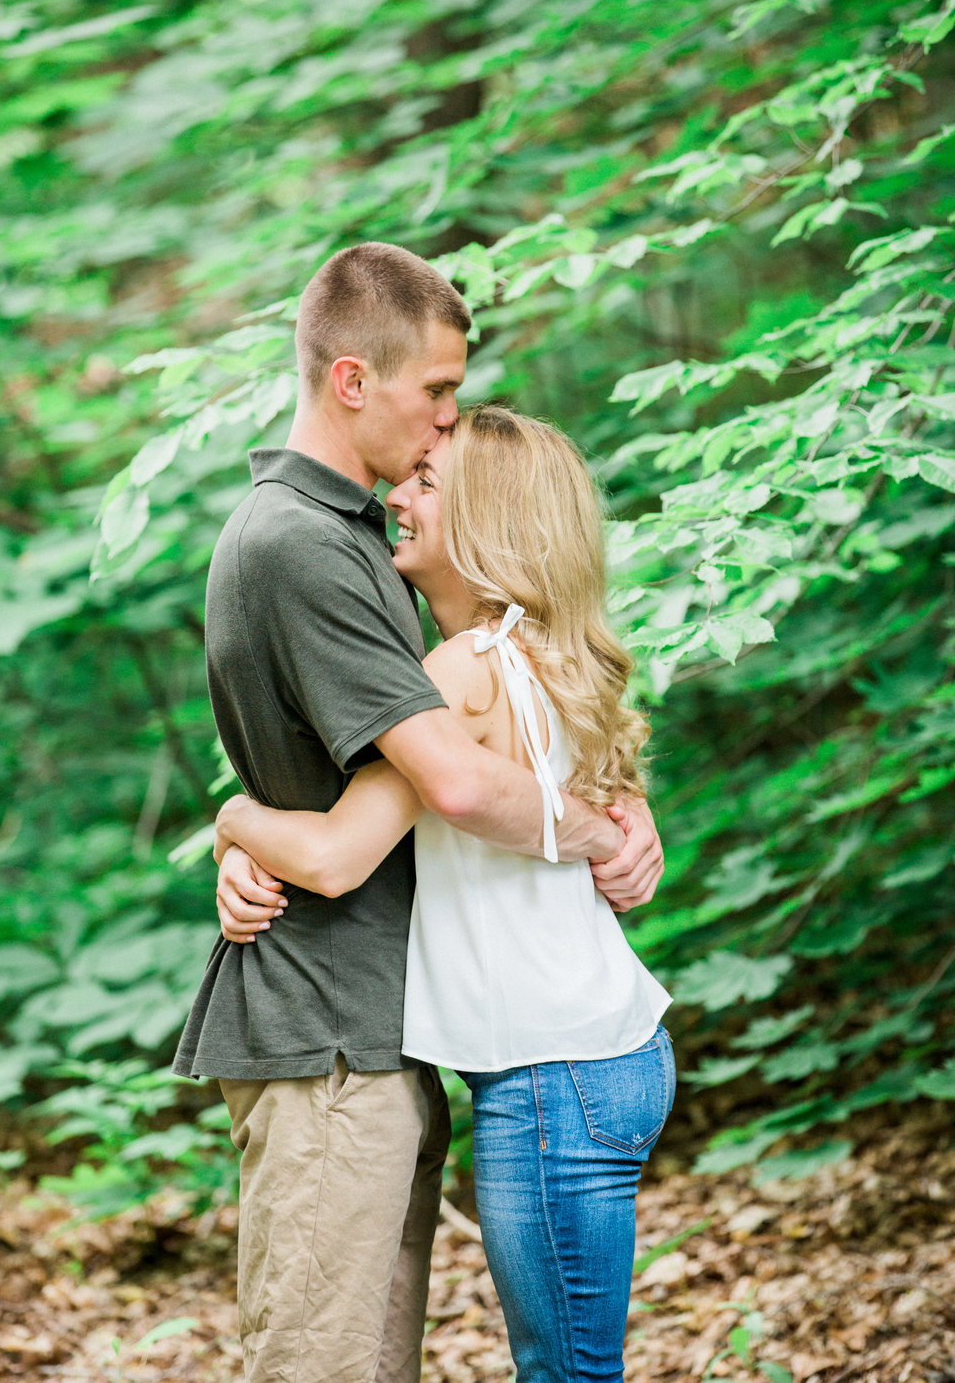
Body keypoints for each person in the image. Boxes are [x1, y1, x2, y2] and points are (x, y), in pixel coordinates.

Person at [172, 242, 665, 1383]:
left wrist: (612, 809)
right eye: (435, 394)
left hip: (399, 1037)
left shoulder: (370, 551)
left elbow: (428, 765)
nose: (446, 427)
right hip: (331, 1037)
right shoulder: (303, 544)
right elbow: (436, 787)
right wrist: (239, 826)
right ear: (352, 381)